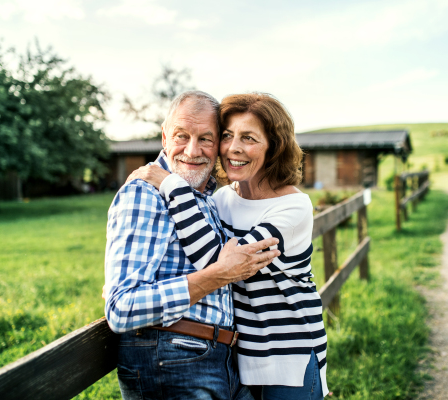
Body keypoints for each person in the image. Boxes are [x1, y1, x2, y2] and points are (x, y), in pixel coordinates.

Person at [128, 92, 328, 400]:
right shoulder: (221, 199)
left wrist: (169, 183)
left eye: (248, 138)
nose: (234, 148)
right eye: (227, 136)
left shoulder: (293, 207)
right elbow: (192, 253)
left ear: (273, 147)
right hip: (237, 360)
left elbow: (221, 264)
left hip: (288, 359)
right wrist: (132, 284)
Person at [103, 90, 281, 400]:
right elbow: (122, 309)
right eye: (181, 136)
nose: (191, 150)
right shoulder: (145, 193)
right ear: (164, 137)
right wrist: (219, 275)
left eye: (206, 139)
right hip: (174, 360)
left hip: (221, 359)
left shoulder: (208, 200)